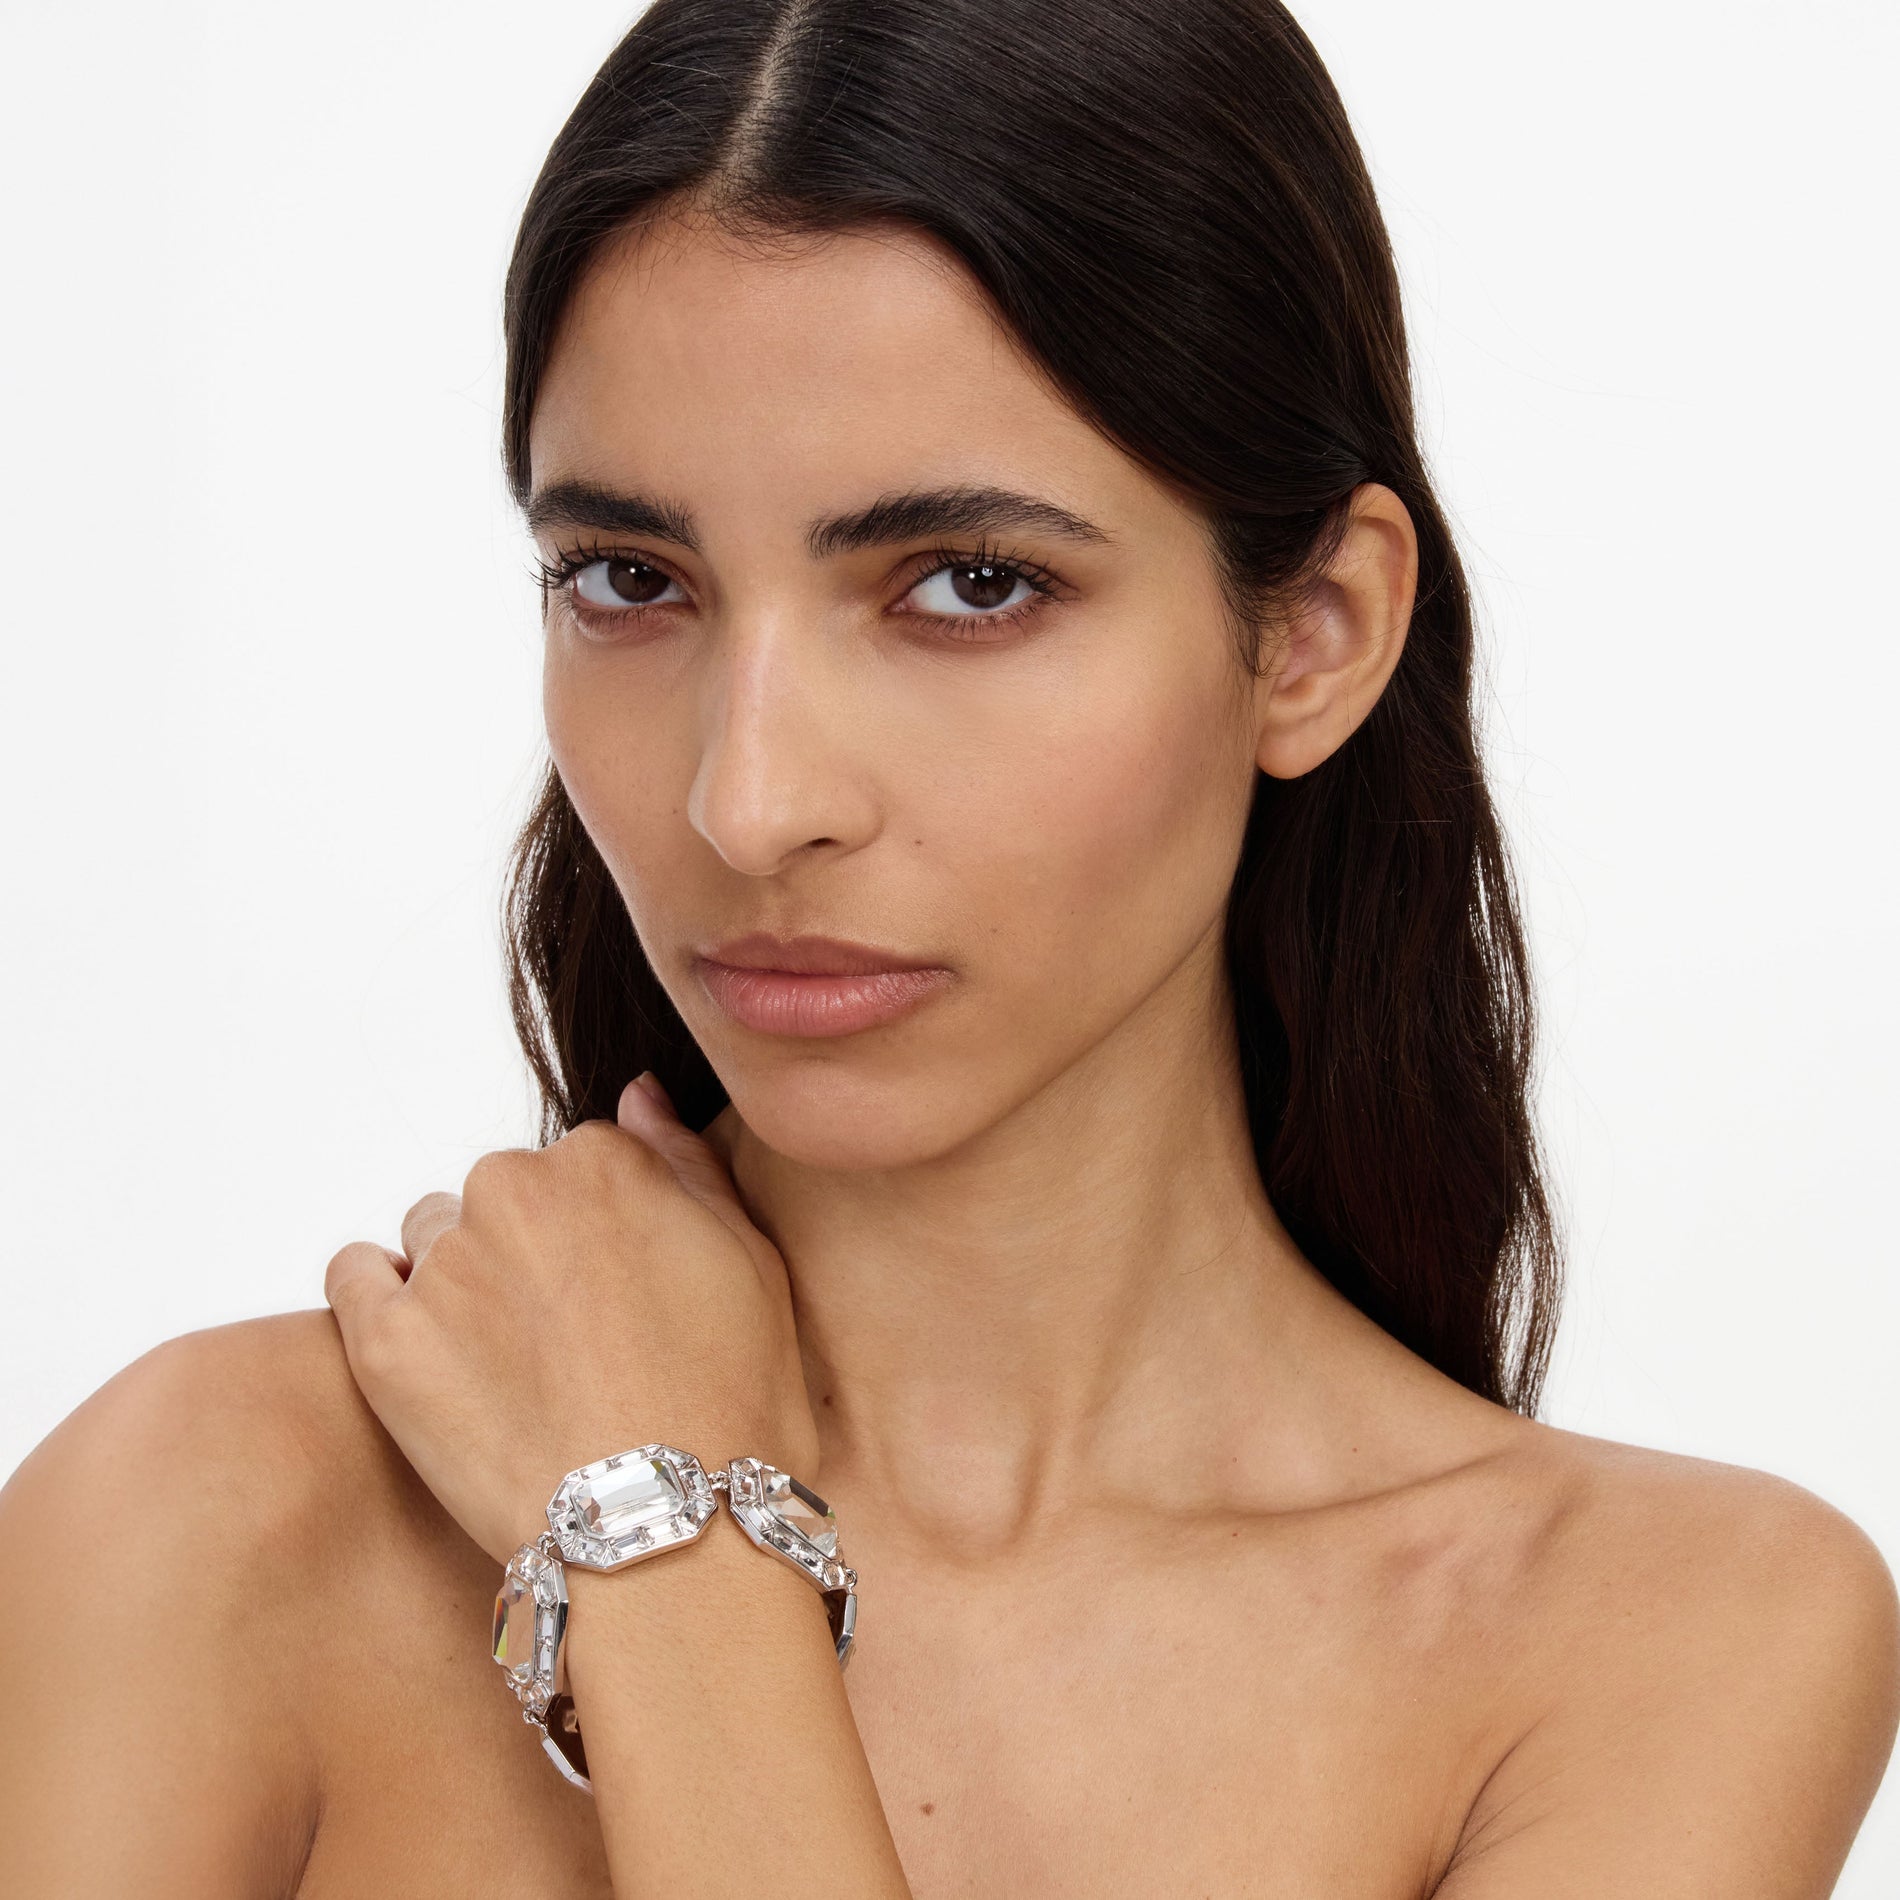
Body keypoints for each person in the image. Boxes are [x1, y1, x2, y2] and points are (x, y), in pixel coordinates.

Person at [2, 0, 1895, 1892]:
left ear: (1313, 632)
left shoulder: (1663, 1639)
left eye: (970, 585)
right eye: (629, 581)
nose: (753, 802)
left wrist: (669, 1557)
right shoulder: (209, 1526)